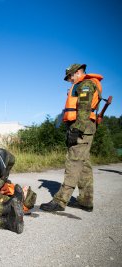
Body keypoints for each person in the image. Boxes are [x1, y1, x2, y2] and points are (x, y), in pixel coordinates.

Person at [40, 63, 103, 212]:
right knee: (84, 165)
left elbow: (84, 108)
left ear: (77, 72)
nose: (69, 79)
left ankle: (60, 201)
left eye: (69, 76)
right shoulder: (83, 84)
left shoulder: (86, 84)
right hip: (84, 128)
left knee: (73, 163)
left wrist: (76, 129)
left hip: (81, 128)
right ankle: (85, 201)